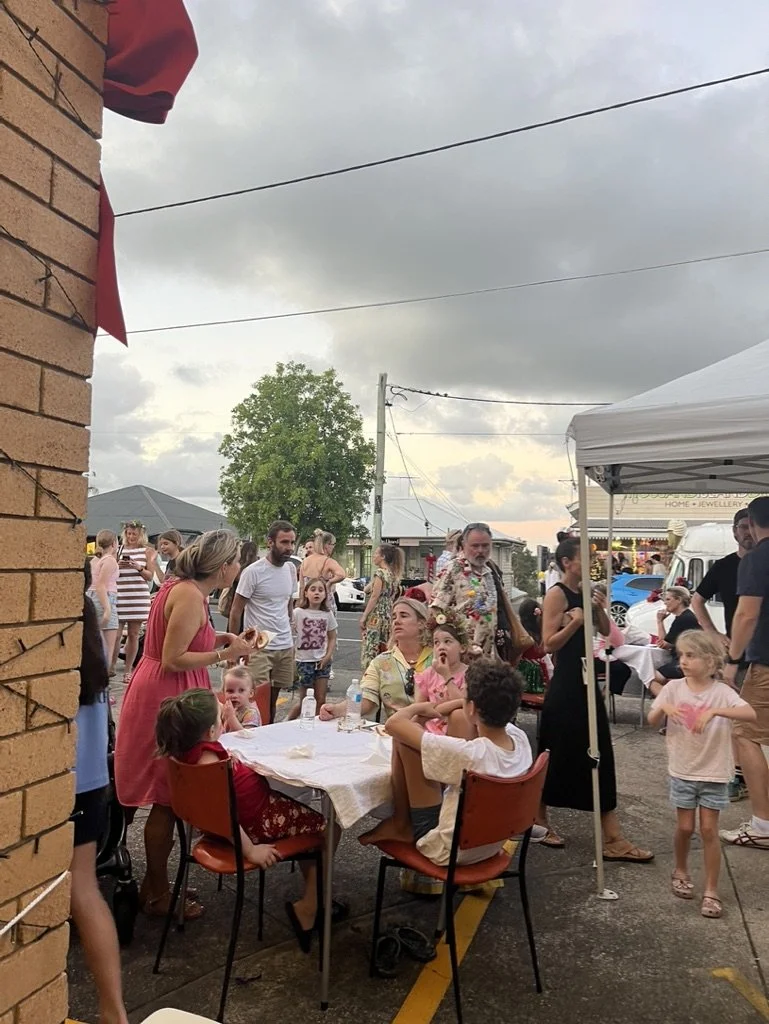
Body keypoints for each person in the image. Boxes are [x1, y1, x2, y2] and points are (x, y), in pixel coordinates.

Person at [115, 530, 255, 919]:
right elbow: (174, 657)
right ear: (223, 566)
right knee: (166, 796)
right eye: (236, 562)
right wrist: (225, 653)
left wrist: (218, 637)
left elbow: (178, 639)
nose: (239, 568)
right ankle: (157, 894)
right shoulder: (191, 595)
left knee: (168, 795)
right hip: (166, 691)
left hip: (160, 687)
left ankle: (153, 885)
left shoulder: (182, 587)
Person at [155, 689, 339, 951]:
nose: (223, 720)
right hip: (254, 823)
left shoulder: (186, 752)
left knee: (302, 817)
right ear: (209, 732)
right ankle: (310, 906)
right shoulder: (209, 763)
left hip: (233, 820)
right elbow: (224, 812)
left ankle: (318, 894)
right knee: (329, 827)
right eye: (220, 718)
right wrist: (250, 850)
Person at [535, 538, 653, 861]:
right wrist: (574, 622)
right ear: (567, 562)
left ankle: (612, 835)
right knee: (555, 749)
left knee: (599, 751)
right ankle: (538, 817)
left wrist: (597, 608)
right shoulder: (557, 594)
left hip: (586, 680)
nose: (591, 563)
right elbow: (548, 643)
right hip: (567, 684)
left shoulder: (587, 593)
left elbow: (607, 632)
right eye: (584, 558)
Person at [359, 659, 532, 863]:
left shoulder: (470, 755)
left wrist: (418, 708)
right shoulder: (520, 740)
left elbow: (395, 725)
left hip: (447, 849)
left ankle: (401, 823)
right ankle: (401, 823)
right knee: (456, 718)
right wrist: (460, 704)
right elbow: (465, 713)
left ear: (473, 708)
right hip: (491, 842)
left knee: (405, 742)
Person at [648, 631, 755, 917]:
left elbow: (750, 714)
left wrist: (716, 712)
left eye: (690, 655)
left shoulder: (722, 692)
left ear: (710, 660)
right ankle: (680, 869)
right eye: (681, 655)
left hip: (714, 772)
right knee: (685, 828)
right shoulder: (674, 688)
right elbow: (652, 718)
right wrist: (664, 707)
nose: (683, 660)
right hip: (683, 769)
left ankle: (711, 889)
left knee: (709, 830)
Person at [71, 562, 129, 1024]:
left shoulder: (52, 631)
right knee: (84, 890)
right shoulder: (89, 624)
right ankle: (113, 1009)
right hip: (90, 783)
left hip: (60, 783)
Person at [721, 495, 769, 849]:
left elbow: (746, 615)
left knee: (745, 734)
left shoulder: (756, 559)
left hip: (766, 664)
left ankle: (762, 824)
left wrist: (732, 661)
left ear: (751, 523)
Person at [228, 521, 298, 723]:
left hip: (284, 644)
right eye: (284, 542)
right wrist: (234, 647)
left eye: (292, 542)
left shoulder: (291, 569)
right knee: (256, 699)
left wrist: (291, 626)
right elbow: (236, 610)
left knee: (274, 700)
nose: (289, 547)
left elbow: (287, 602)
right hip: (259, 647)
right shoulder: (253, 572)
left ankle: (270, 733)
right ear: (270, 542)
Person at [321, 597, 432, 721]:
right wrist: (336, 710)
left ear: (421, 623)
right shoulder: (381, 662)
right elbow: (366, 698)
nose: (397, 621)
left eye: (404, 616)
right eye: (394, 617)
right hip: (397, 731)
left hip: (435, 730)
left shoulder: (438, 658)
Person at [431, 523, 498, 656]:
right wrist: (458, 643)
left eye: (485, 546)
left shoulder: (488, 572)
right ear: (463, 545)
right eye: (475, 546)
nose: (480, 551)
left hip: (486, 656)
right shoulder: (453, 569)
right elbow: (436, 611)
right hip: (460, 657)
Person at [693, 508, 754, 650]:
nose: (749, 532)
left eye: (753, 526)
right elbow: (697, 600)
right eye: (744, 527)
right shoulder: (723, 566)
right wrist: (711, 632)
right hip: (737, 650)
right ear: (734, 531)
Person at [112, 520, 159, 682]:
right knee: (116, 635)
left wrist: (137, 567)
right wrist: (117, 565)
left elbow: (150, 576)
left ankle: (128, 671)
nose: (131, 537)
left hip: (138, 597)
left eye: (134, 534)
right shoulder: (118, 550)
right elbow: (110, 574)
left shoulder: (147, 552)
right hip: (120, 596)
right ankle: (110, 668)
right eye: (128, 533)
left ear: (140, 535)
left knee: (133, 634)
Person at [413, 610, 471, 737]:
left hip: (456, 734)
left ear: (462, 647)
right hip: (428, 733)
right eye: (436, 642)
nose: (441, 647)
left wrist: (446, 676)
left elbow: (464, 706)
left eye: (448, 641)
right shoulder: (427, 675)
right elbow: (419, 710)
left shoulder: (469, 675)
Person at [288, 578, 338, 720]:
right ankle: (288, 721)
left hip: (322, 661)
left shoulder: (327, 614)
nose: (317, 593)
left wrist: (328, 655)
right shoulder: (298, 612)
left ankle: (317, 725)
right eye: (313, 589)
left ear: (325, 594)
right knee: (305, 701)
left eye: (320, 590)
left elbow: (332, 636)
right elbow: (287, 631)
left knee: (320, 699)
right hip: (304, 661)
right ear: (306, 593)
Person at [360, 543, 404, 672]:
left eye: (376, 554)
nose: (374, 556)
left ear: (383, 556)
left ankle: (369, 674)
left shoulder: (380, 573)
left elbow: (374, 596)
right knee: (384, 646)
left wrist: (364, 616)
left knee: (371, 648)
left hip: (376, 616)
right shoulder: (393, 574)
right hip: (388, 615)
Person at [650, 587, 701, 695]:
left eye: (668, 599)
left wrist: (659, 621)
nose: (665, 603)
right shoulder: (685, 616)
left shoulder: (684, 619)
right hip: (688, 660)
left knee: (650, 678)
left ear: (679, 600)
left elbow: (663, 643)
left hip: (686, 662)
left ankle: (670, 703)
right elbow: (666, 642)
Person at [89, 529, 120, 672]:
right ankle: (105, 687)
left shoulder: (95, 560)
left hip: (93, 598)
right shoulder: (110, 560)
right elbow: (101, 585)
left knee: (95, 645)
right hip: (106, 598)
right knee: (107, 649)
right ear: (114, 543)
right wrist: (107, 609)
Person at [299, 530, 346, 599]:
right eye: (333, 544)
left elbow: (301, 586)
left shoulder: (305, 561)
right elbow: (341, 575)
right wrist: (329, 582)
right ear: (327, 545)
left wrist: (302, 601)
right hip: (323, 603)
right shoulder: (328, 561)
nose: (333, 547)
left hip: (308, 602)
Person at [221, 665, 262, 729]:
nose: (235, 695)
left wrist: (231, 717)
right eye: (230, 691)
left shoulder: (251, 713)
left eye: (241, 691)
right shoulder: (231, 708)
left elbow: (246, 734)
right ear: (223, 692)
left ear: (251, 693)